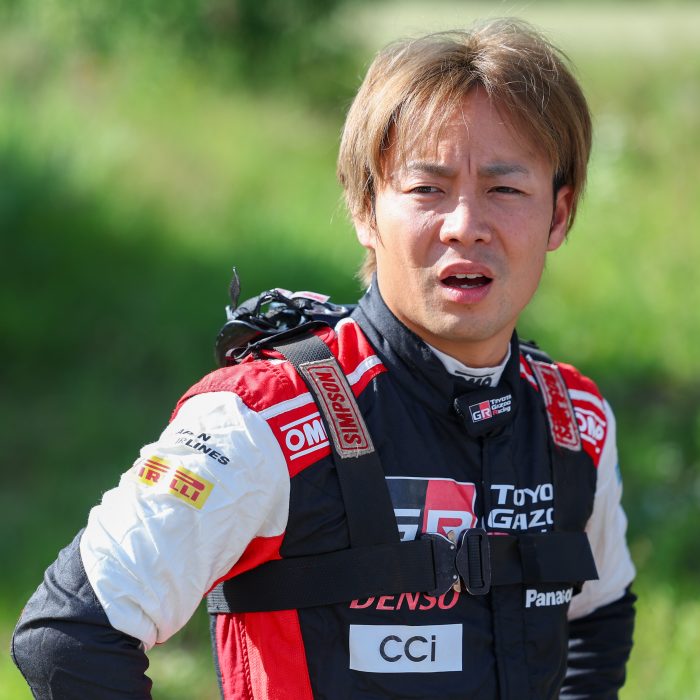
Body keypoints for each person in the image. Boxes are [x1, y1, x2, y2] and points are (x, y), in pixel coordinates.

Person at [12, 17, 636, 700]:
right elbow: (66, 636)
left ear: (559, 215)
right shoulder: (261, 418)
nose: (465, 224)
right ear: (365, 209)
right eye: (426, 189)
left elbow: (598, 617)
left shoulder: (574, 420)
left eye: (505, 189)